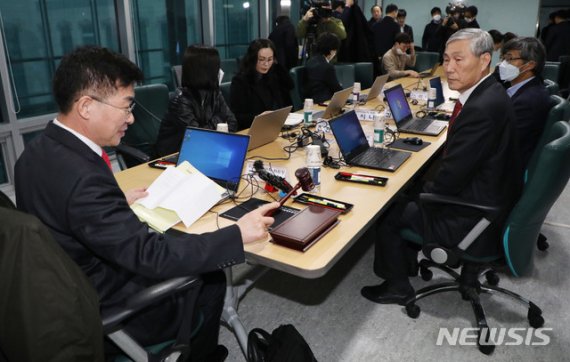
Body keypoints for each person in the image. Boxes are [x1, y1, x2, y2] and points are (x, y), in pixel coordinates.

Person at [14, 45, 279, 361]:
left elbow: (64, 211)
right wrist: (237, 234)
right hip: (105, 302)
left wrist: (112, 202)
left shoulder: (34, 154)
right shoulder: (84, 181)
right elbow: (152, 257)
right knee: (210, 278)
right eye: (126, 107)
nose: (131, 118)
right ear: (86, 106)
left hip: (63, 283)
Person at [361, 29, 523, 305]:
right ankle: (408, 263)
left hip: (474, 216)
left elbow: (448, 181)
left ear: (485, 60)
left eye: (459, 60)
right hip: (492, 198)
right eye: (446, 59)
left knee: (390, 209)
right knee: (412, 187)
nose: (449, 67)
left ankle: (397, 285)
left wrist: (417, 191)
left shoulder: (482, 109)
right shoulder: (490, 92)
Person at [156, 45, 237, 157]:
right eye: (216, 67)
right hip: (173, 158)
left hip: (203, 152)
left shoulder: (214, 93)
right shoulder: (180, 100)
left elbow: (232, 123)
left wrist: (209, 126)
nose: (219, 71)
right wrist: (219, 122)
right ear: (205, 71)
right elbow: (199, 137)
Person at [499, 37, 552, 168]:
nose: (503, 64)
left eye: (509, 59)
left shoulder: (528, 101)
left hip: (505, 170)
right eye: (504, 58)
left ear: (530, 65)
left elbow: (502, 144)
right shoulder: (522, 89)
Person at [230, 39, 294, 130]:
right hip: (251, 129)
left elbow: (289, 88)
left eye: (270, 59)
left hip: (273, 127)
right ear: (253, 58)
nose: (266, 64)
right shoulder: (240, 81)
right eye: (261, 59)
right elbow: (237, 116)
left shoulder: (273, 75)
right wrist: (259, 117)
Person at [304, 32, 342, 103]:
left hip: (310, 100)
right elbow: (337, 90)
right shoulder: (327, 67)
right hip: (325, 101)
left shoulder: (310, 61)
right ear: (332, 51)